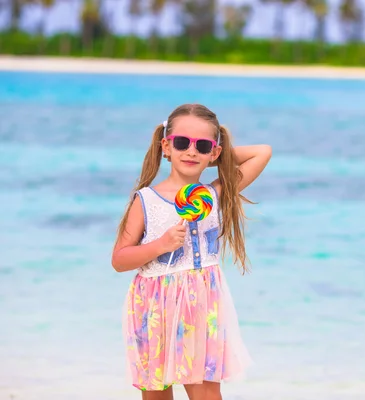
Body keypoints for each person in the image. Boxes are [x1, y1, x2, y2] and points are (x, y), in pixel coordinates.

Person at [111, 103, 272, 400]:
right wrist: (161, 245)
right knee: (157, 392)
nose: (191, 152)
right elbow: (119, 260)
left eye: (202, 146)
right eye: (182, 143)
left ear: (214, 152)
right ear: (166, 146)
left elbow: (262, 152)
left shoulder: (213, 194)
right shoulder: (146, 200)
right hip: (154, 304)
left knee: (206, 392)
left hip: (202, 305)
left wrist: (216, 160)